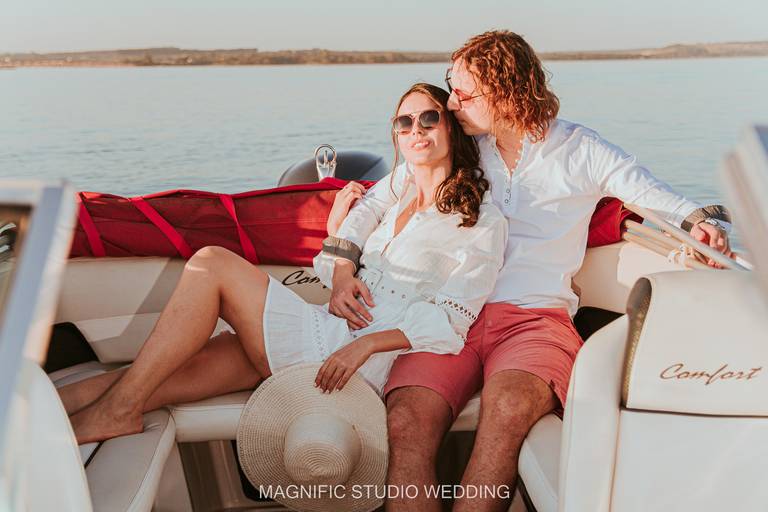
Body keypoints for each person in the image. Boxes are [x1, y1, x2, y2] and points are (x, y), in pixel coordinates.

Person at [325, 31, 734, 512]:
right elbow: (377, 200)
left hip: (534, 320)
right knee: (405, 420)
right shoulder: (465, 147)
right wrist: (342, 264)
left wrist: (703, 224)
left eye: (463, 94)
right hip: (446, 317)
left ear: (504, 92)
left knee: (509, 407)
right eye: (451, 89)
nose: (451, 104)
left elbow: (653, 194)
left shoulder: (581, 150)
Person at [59, 83, 508, 446]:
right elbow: (348, 236)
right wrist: (342, 274)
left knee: (212, 263)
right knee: (149, 379)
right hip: (326, 328)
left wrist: (368, 345)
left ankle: (118, 411)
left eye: (429, 118)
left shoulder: (482, 221)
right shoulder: (398, 192)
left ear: (452, 128)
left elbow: (451, 323)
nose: (415, 130)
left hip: (354, 361)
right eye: (404, 122)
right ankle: (40, 422)